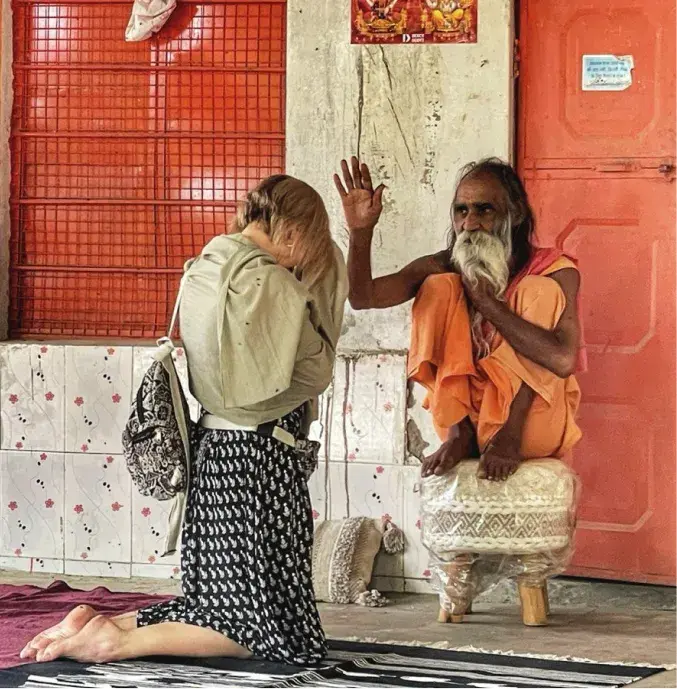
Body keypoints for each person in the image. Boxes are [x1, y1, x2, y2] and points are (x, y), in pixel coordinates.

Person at [20, 175, 348, 666]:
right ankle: (114, 641)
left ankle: (101, 621)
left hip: (213, 453)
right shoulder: (273, 285)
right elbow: (313, 372)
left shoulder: (203, 268)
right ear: (294, 233)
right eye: (309, 245)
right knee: (263, 634)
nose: (303, 259)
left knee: (215, 603)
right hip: (259, 462)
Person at [334, 156, 583, 482]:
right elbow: (363, 297)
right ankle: (458, 432)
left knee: (540, 290)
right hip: (468, 414)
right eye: (461, 211)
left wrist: (485, 302)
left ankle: (507, 434)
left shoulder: (556, 270)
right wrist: (361, 231)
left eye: (485, 210)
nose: (470, 223)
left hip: (529, 425)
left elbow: (562, 359)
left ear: (516, 214)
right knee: (439, 287)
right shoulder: (446, 265)